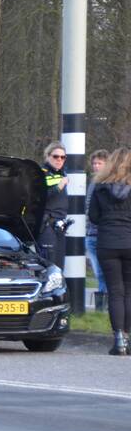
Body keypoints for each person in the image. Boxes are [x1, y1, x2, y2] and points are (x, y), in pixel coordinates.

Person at [88, 147, 131, 356]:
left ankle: (119, 341)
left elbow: (93, 217)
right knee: (129, 292)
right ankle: (128, 339)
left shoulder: (100, 188)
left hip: (107, 243)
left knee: (115, 292)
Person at [38, 141, 69, 269]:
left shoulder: (62, 174)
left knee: (59, 266)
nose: (59, 160)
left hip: (59, 225)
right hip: (46, 225)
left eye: (63, 157)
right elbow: (39, 197)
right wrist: (58, 187)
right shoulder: (41, 173)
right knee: (48, 265)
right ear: (47, 156)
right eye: (56, 156)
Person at [86, 149, 110, 310]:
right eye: (94, 163)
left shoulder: (108, 184)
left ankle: (103, 308)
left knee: (104, 272)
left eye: (99, 163)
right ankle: (101, 309)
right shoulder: (93, 183)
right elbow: (88, 207)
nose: (96, 166)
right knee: (100, 273)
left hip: (104, 234)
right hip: (92, 233)